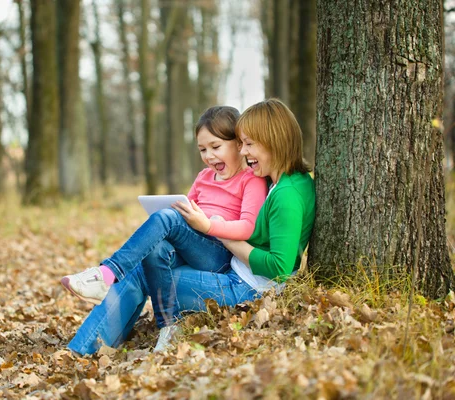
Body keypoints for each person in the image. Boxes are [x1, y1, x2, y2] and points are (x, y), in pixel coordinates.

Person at [67, 99, 315, 355]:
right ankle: (89, 344)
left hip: (246, 287)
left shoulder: (286, 194)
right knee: (151, 258)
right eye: (242, 144)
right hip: (235, 272)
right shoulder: (278, 181)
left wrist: (219, 232)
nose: (243, 152)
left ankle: (99, 317)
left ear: (274, 141)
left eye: (249, 144)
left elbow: (280, 268)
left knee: (146, 272)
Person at [61, 106, 268, 311]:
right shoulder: (203, 177)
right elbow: (186, 210)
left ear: (239, 145)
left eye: (216, 147)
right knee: (156, 251)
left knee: (168, 218)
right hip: (193, 245)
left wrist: (207, 226)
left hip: (219, 253)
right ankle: (168, 325)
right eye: (203, 149)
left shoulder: (251, 180)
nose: (209, 156)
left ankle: (106, 274)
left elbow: (248, 227)